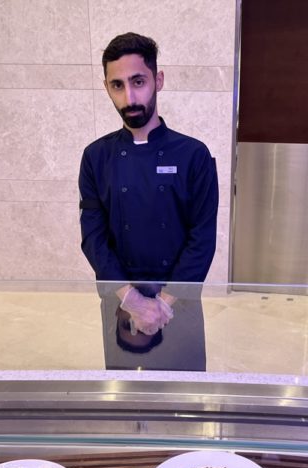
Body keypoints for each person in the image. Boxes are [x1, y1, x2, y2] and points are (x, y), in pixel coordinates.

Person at [79, 32, 219, 370]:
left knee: (182, 396)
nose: (129, 97)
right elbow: (93, 238)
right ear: (106, 87)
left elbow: (202, 239)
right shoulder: (95, 157)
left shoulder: (194, 155)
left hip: (179, 300)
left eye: (138, 81)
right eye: (117, 85)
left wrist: (163, 304)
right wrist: (131, 299)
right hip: (119, 299)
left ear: (157, 80)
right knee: (125, 392)